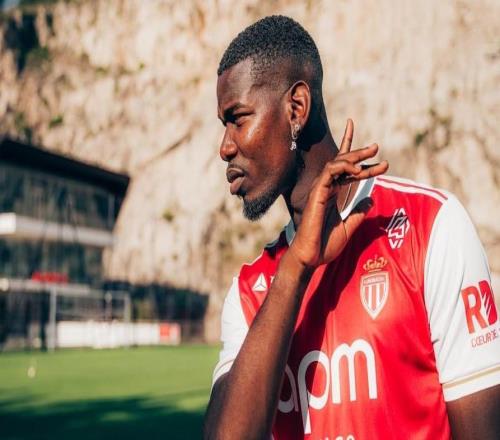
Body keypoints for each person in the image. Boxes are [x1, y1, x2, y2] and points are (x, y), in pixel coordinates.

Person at [204, 15, 500, 440]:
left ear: (296, 108)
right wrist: (296, 268)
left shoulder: (431, 225)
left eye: (238, 118)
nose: (225, 147)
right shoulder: (251, 289)